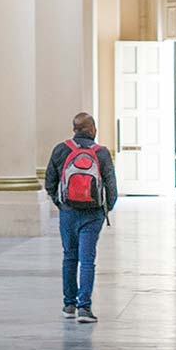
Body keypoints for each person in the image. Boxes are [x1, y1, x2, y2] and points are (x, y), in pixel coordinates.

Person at [44, 112, 118, 322]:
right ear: (93, 129)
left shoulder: (61, 149)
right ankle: (84, 308)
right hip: (92, 214)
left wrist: (61, 204)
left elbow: (49, 182)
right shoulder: (101, 153)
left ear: (74, 130)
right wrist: (105, 210)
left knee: (69, 257)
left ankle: (69, 305)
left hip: (68, 212)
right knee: (87, 260)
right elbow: (111, 186)